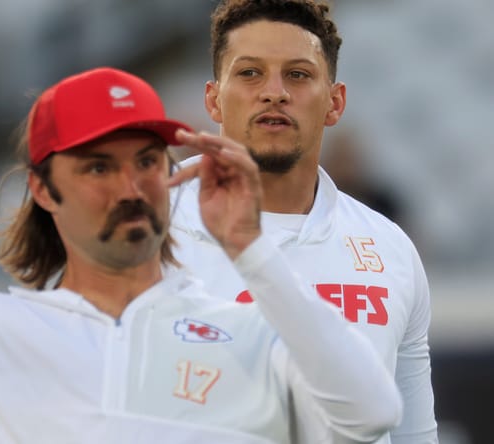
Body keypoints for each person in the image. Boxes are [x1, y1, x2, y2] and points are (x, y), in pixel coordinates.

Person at [0, 67, 401, 443]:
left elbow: (372, 413)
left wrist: (251, 249)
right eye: (98, 167)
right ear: (42, 189)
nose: (132, 187)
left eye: (147, 161)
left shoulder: (254, 337)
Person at [169, 1, 436, 443]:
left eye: (297, 74)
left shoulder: (391, 249)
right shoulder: (149, 230)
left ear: (335, 102)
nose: (274, 92)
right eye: (250, 73)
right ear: (213, 100)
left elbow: (413, 433)